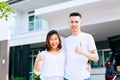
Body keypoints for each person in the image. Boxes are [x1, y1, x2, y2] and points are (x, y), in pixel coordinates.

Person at [63, 12, 99, 80]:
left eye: (76, 22)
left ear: (81, 23)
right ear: (69, 23)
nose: (74, 24)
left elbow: (96, 58)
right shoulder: (65, 41)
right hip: (67, 77)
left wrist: (83, 52)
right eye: (72, 22)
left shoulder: (88, 37)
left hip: (84, 77)